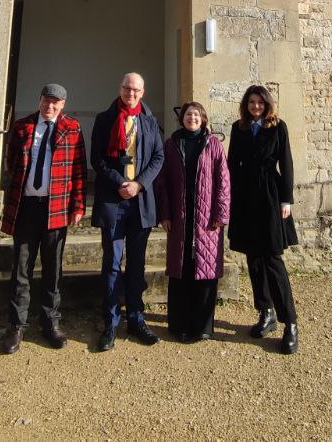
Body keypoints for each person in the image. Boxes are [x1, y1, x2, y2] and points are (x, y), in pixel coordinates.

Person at [0, 83, 86, 353]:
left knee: (53, 268)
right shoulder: (22, 127)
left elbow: (79, 169)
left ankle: (50, 322)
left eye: (55, 102)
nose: (50, 106)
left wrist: (78, 205)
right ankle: (16, 325)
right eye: (46, 101)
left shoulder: (73, 128)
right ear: (39, 101)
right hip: (26, 206)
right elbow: (11, 163)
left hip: (56, 207)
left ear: (63, 105)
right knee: (21, 268)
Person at [90, 71, 164, 351]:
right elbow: (97, 158)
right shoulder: (104, 119)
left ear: (142, 93)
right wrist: (120, 182)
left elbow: (158, 157)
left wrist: (139, 184)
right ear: (120, 88)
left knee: (137, 264)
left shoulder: (149, 121)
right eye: (126, 88)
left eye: (135, 90)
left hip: (140, 202)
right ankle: (110, 322)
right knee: (112, 262)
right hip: (114, 200)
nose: (130, 93)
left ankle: (136, 318)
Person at [227, 83, 299, 354]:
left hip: (270, 194)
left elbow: (287, 163)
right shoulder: (239, 128)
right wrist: (229, 198)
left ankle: (290, 322)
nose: (256, 106)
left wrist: (286, 199)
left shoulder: (278, 127)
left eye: (260, 102)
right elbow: (232, 164)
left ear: (267, 104)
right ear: (246, 105)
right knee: (253, 259)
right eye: (251, 102)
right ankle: (265, 312)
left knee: (272, 258)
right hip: (245, 196)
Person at [155, 101, 230, 342]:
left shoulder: (213, 145)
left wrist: (221, 214)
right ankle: (179, 325)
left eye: (196, 114)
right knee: (181, 270)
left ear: (203, 119)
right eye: (189, 114)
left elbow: (223, 181)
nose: (192, 118)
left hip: (207, 219)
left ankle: (203, 326)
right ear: (182, 118)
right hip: (180, 217)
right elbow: (163, 182)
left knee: (206, 271)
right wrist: (165, 214)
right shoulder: (171, 144)